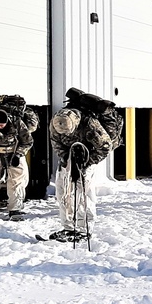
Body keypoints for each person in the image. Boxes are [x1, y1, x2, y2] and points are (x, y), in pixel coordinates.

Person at [48, 91, 116, 242]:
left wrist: (88, 161)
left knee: (84, 193)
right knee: (63, 192)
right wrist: (65, 157)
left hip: (87, 158)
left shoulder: (89, 124)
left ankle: (84, 228)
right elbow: (55, 142)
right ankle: (68, 227)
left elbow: (105, 146)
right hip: (68, 157)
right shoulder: (56, 122)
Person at [0, 95, 39, 220]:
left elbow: (27, 141)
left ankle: (15, 210)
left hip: (14, 152)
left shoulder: (17, 123)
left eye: (1, 125)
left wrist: (18, 154)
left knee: (17, 181)